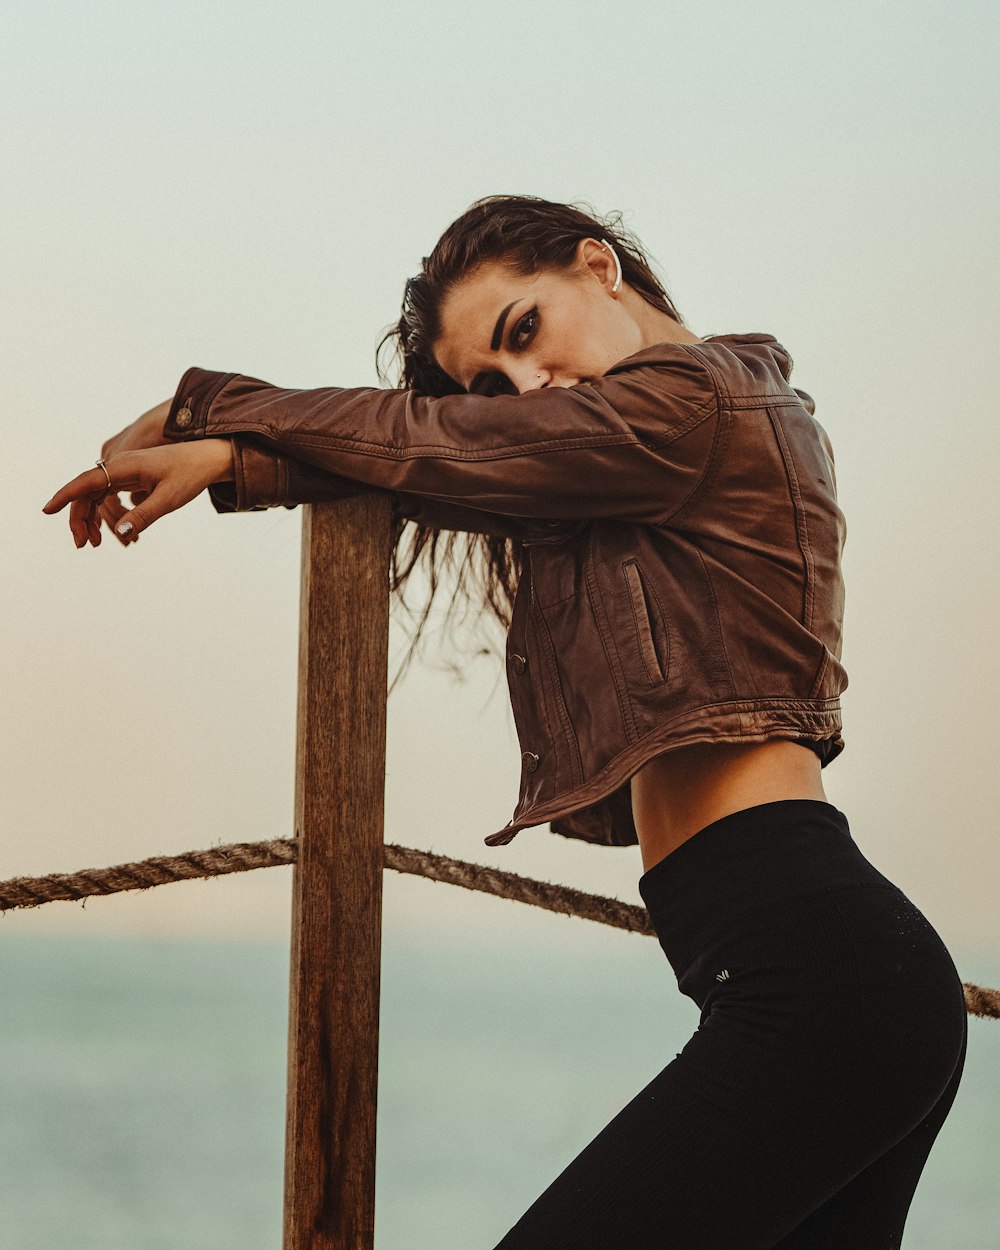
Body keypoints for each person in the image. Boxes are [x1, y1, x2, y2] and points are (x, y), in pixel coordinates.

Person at [44, 195, 967, 1248]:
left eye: (524, 330)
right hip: (830, 977)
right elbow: (458, 459)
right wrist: (238, 460)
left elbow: (447, 442)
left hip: (822, 982)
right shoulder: (646, 441)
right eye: (491, 382)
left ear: (596, 266)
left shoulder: (692, 402)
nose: (524, 386)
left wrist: (204, 408)